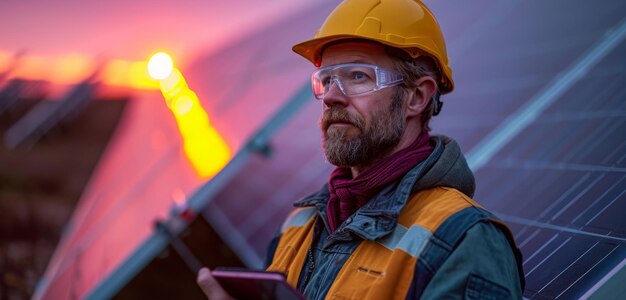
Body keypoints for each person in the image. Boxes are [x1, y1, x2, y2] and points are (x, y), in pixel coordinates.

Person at [197, 0, 525, 299]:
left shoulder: (465, 242)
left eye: (357, 75)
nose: (331, 97)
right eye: (326, 80)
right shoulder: (300, 222)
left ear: (417, 97)